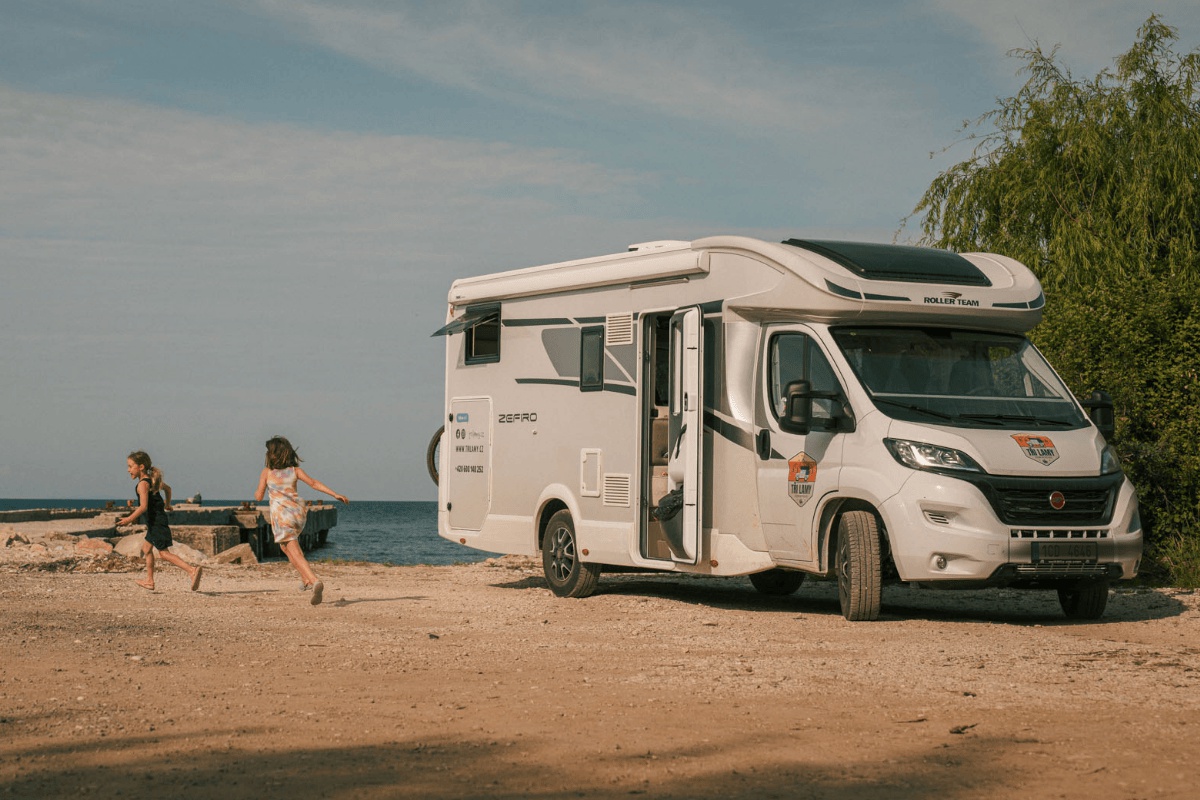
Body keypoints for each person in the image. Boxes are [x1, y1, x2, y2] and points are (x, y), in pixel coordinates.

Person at [254, 436, 348, 605]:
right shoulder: (295, 470)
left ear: (272, 454)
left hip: (282, 516)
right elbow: (314, 483)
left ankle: (314, 580)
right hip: (297, 514)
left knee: (294, 550)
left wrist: (261, 489)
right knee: (285, 547)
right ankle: (305, 579)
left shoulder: (267, 472)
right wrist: (335, 494)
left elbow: (259, 496)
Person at [117, 451, 202, 592]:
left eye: (130, 466)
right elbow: (168, 489)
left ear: (141, 467)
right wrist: (167, 504)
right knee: (146, 549)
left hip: (156, 522)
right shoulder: (153, 480)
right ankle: (149, 581)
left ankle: (192, 570)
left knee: (163, 553)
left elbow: (143, 507)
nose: (128, 470)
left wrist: (129, 519)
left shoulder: (142, 485)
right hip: (156, 522)